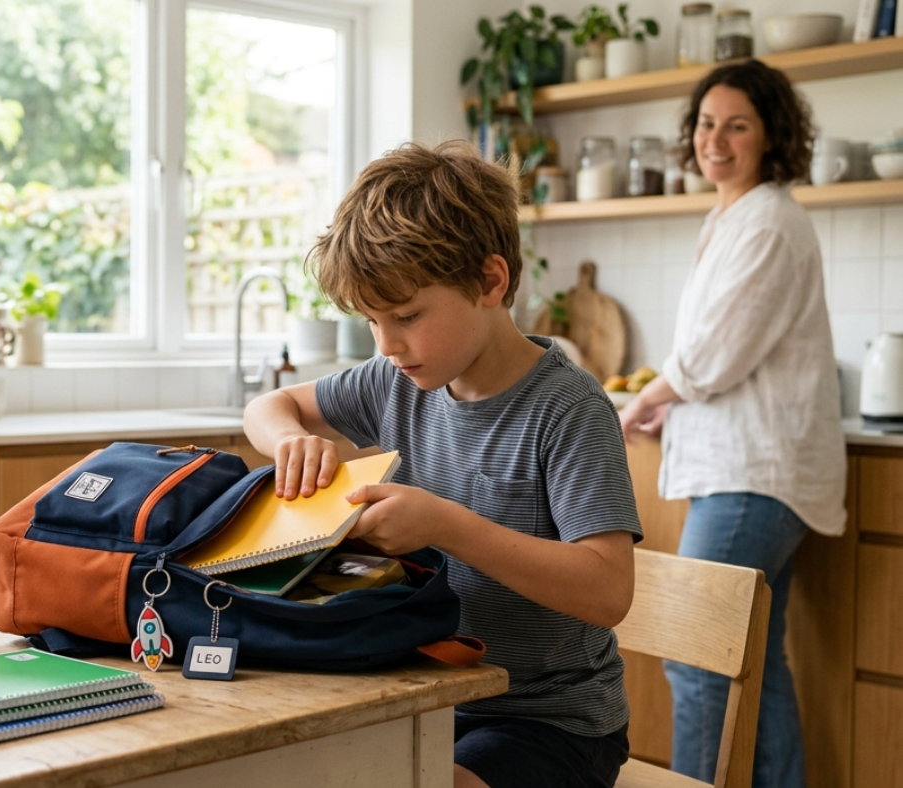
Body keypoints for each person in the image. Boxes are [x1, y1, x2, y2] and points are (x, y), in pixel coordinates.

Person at [244, 140, 642, 788]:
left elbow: (607, 590)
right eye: (372, 321)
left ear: (490, 281)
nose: (388, 343)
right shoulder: (395, 379)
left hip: (550, 723)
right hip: (429, 697)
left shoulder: (569, 408)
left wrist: (446, 525)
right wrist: (289, 440)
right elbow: (269, 405)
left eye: (405, 315)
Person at [618, 60, 844, 788]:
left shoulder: (770, 221)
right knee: (754, 665)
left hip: (752, 481)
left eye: (736, 124)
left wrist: (647, 396)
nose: (715, 139)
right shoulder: (736, 216)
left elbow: (713, 354)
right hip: (746, 473)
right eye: (706, 123)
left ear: (771, 135)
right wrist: (666, 404)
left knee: (695, 653)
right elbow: (717, 357)